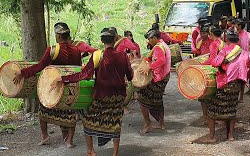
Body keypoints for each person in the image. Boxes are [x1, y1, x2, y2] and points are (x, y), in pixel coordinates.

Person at [51, 28, 133, 156]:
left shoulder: (97, 55)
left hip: (102, 96)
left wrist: (63, 79)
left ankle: (90, 151)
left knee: (87, 119)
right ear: (115, 39)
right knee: (115, 121)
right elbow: (130, 77)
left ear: (101, 40)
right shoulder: (123, 55)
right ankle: (115, 153)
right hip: (118, 96)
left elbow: (84, 75)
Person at [13, 22, 81, 148]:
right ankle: (68, 140)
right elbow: (78, 68)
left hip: (54, 88)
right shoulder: (77, 50)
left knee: (43, 109)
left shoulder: (53, 50)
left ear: (59, 36)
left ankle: (45, 136)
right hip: (71, 87)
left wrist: (22, 73)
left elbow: (39, 66)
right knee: (69, 111)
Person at [194, 30, 248, 143]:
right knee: (232, 109)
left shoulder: (225, 50)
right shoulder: (243, 52)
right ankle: (231, 136)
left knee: (212, 110)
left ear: (226, 40)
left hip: (224, 83)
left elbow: (215, 63)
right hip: (236, 84)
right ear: (237, 40)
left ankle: (212, 137)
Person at [138, 30, 171, 133]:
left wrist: (149, 67)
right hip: (165, 76)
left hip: (159, 78)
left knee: (141, 98)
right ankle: (161, 124)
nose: (149, 41)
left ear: (154, 38)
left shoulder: (158, 47)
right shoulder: (162, 44)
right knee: (158, 100)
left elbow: (161, 60)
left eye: (149, 39)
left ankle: (147, 123)